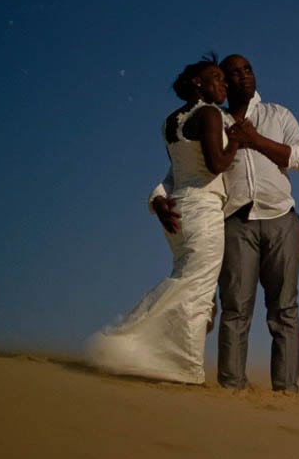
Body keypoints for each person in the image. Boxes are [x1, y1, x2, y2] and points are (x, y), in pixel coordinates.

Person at [150, 54, 299, 393]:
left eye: (247, 69)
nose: (241, 77)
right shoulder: (212, 119)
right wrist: (156, 199)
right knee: (236, 308)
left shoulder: (277, 114)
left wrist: (256, 141)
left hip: (281, 217)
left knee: (284, 309)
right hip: (235, 223)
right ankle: (232, 389)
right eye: (232, 73)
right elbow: (178, 172)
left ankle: (286, 392)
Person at [88, 58, 242, 384]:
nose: (223, 84)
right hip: (203, 210)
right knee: (196, 288)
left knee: (189, 282)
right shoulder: (211, 114)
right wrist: (238, 143)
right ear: (197, 83)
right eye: (215, 78)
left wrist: (157, 198)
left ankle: (178, 363)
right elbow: (216, 164)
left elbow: (177, 172)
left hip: (177, 210)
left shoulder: (171, 121)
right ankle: (136, 346)